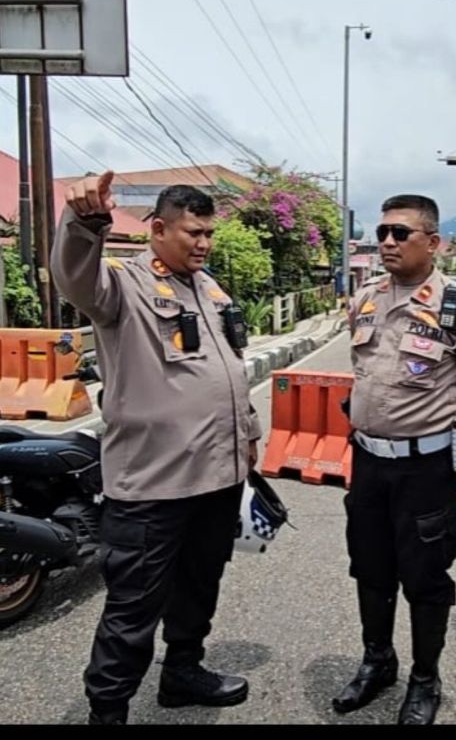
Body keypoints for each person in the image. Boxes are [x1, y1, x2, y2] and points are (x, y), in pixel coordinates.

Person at [53, 172, 262, 725]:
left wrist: (250, 432)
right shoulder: (123, 285)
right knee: (133, 607)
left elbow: (229, 370)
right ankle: (108, 711)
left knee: (199, 586)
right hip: (152, 485)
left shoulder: (211, 289)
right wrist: (84, 223)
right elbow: (74, 279)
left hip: (217, 478)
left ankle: (183, 673)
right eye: (193, 232)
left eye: (209, 233)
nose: (203, 243)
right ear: (158, 229)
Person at [333, 193, 456, 725]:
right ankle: (377, 661)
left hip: (425, 470)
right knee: (370, 569)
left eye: (400, 233)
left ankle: (425, 679)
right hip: (368, 463)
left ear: (433, 242)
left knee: (426, 578)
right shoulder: (366, 299)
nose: (386, 241)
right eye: (382, 232)